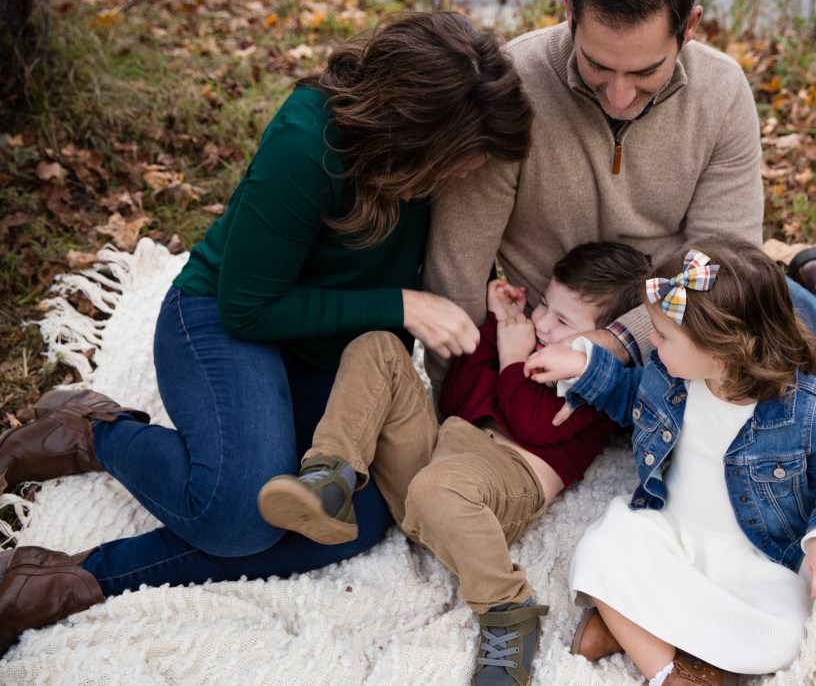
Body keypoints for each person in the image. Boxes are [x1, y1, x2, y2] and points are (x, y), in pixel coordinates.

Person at [0, 11, 533, 655]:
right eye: (458, 163)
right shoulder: (307, 142)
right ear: (413, 131)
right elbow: (248, 307)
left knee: (353, 518)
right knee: (237, 516)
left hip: (324, 355)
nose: (466, 175)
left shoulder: (435, 164)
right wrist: (400, 305)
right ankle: (95, 433)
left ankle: (65, 577)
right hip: (224, 324)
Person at [423, 0, 816, 440]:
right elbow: (457, 272)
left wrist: (618, 341)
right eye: (597, 65)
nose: (619, 96)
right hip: (558, 342)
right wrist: (461, 411)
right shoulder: (505, 91)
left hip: (699, 324)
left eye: (645, 72)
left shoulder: (721, 93)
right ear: (569, 12)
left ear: (689, 27)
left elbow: (726, 276)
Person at [256, 241, 653, 686]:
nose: (541, 322)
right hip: (442, 455)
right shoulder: (525, 342)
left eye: (562, 322)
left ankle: (509, 609)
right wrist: (496, 328)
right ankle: (330, 476)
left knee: (437, 489)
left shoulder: (593, 382)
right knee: (378, 346)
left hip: (501, 485)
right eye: (544, 304)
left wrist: (513, 355)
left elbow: (530, 423)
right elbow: (455, 400)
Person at [523, 236, 816, 686]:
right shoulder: (668, 375)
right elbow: (630, 397)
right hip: (669, 529)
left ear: (720, 354)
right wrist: (583, 367)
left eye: (663, 335)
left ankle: (630, 627)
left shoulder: (802, 410)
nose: (652, 342)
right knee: (597, 553)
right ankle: (669, 673)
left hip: (755, 555)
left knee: (784, 637)